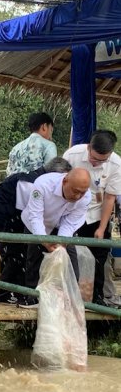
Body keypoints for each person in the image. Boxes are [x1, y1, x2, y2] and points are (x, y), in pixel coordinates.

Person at [0, 157, 72, 304]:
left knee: (14, 253)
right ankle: (5, 294)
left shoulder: (38, 179)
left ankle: (14, 291)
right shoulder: (31, 184)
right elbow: (29, 215)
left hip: (11, 217)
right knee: (15, 255)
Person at [18, 168, 92, 308]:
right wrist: (44, 241)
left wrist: (61, 242)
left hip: (61, 225)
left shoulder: (86, 197)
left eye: (82, 192)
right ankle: (32, 297)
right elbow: (35, 217)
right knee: (34, 259)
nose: (78, 196)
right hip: (37, 222)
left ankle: (69, 299)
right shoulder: (43, 184)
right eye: (75, 191)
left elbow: (70, 223)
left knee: (69, 260)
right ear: (65, 181)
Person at [63, 130, 121, 306]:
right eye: (94, 159)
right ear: (89, 147)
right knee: (68, 254)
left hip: (96, 215)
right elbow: (61, 183)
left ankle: (97, 298)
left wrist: (102, 228)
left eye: (102, 160)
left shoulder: (116, 164)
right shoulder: (72, 155)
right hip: (71, 213)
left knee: (100, 257)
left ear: (110, 154)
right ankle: (69, 296)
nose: (97, 163)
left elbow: (110, 198)